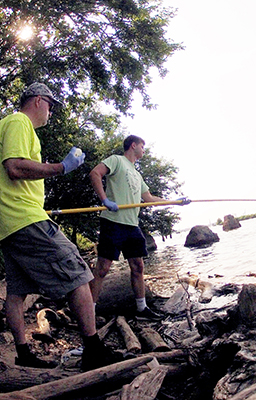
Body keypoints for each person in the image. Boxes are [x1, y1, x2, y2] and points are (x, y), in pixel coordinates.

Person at [0, 82, 118, 371]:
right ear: (39, 100)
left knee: (16, 293)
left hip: (7, 225)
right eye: (51, 106)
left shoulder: (6, 125)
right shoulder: (18, 122)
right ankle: (93, 349)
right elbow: (14, 167)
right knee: (79, 272)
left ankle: (23, 353)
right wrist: (61, 167)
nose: (51, 113)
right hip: (25, 219)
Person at [89, 135, 190, 319]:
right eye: (142, 146)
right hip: (112, 222)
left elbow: (149, 199)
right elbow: (95, 173)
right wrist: (105, 199)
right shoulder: (116, 160)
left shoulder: (137, 174)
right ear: (133, 145)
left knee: (138, 266)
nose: (144, 150)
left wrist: (176, 202)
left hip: (132, 225)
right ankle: (89, 311)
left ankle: (141, 309)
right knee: (102, 268)